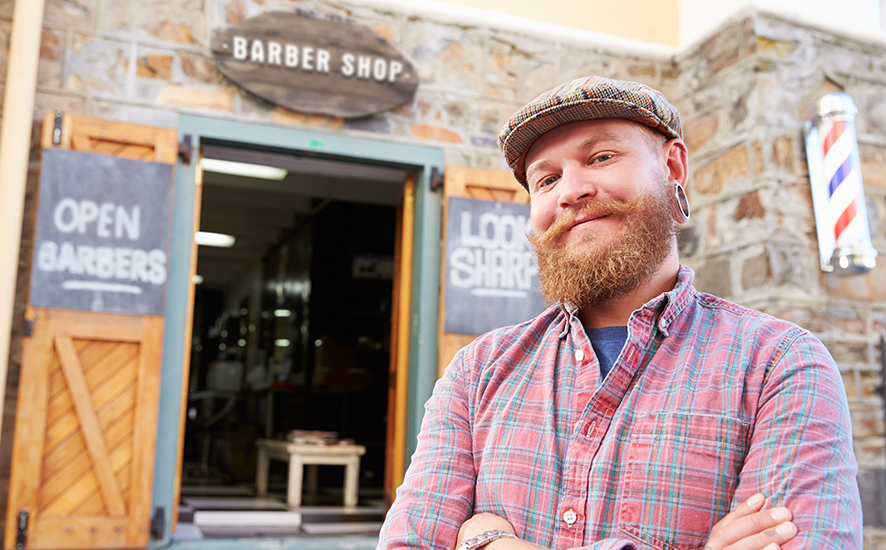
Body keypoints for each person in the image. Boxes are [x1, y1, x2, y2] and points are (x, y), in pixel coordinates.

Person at [378, 76, 862, 550]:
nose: (570, 191)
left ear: (673, 167)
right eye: (546, 179)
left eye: (601, 157)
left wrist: (487, 540)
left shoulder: (780, 365)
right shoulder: (476, 371)